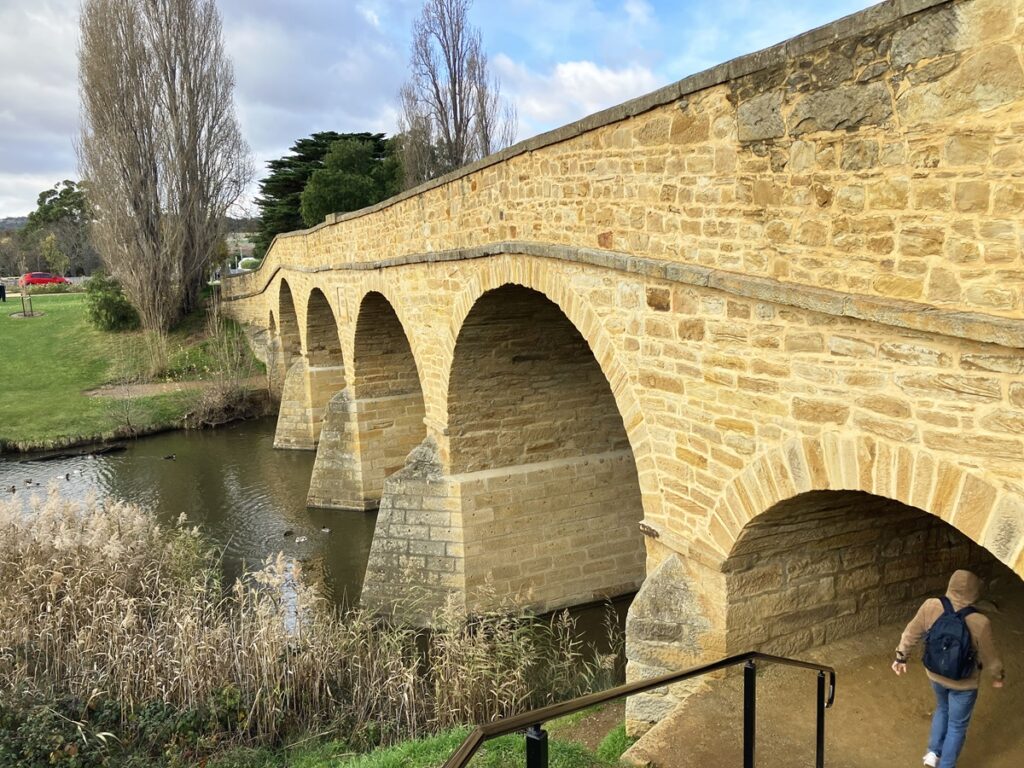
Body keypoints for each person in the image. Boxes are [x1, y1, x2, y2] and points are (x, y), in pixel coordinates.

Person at [892, 570, 1004, 768]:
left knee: (942, 708)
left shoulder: (931, 606)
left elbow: (911, 632)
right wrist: (998, 675)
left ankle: (932, 754)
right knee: (957, 724)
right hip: (964, 681)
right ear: (975, 591)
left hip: (935, 673)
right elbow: (990, 656)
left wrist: (901, 656)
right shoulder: (980, 621)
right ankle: (946, 765)